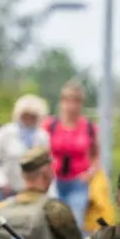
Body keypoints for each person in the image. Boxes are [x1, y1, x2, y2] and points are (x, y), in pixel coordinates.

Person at [45, 81, 99, 227]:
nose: (71, 105)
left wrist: (90, 174)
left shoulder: (88, 127)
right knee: (52, 223)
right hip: (54, 181)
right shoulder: (50, 125)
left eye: (76, 101)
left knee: (73, 223)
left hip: (77, 182)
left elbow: (95, 156)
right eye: (68, 100)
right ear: (62, 101)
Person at [0, 94, 50, 207]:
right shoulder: (4, 133)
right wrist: (2, 183)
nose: (29, 120)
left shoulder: (42, 137)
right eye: (26, 115)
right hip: (4, 191)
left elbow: (46, 165)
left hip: (30, 193)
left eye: (33, 116)